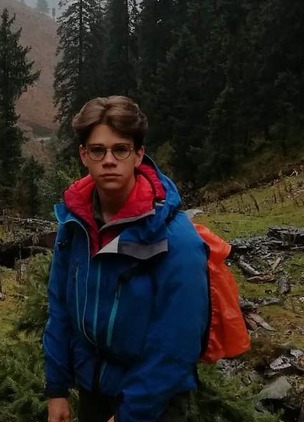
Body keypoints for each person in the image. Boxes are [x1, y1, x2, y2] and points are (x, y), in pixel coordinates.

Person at [44, 96, 210, 422]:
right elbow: (60, 309)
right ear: (83, 156)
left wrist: (130, 414)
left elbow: (176, 346)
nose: (109, 160)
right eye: (97, 150)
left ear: (138, 155)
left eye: (120, 149)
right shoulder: (75, 224)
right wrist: (57, 389)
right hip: (93, 391)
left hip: (155, 405)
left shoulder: (177, 239)